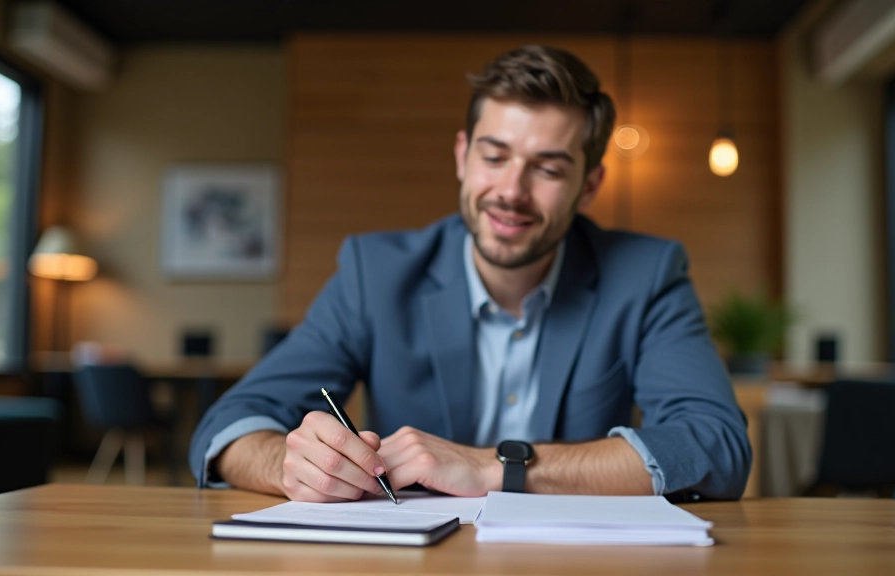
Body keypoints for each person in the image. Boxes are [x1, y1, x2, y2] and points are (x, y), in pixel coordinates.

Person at [189, 45, 750, 502]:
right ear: (462, 156)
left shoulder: (646, 274)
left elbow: (715, 444)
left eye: (548, 168)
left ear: (591, 184)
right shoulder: (375, 272)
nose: (511, 191)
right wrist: (290, 465)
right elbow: (229, 425)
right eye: (494, 155)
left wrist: (496, 467)